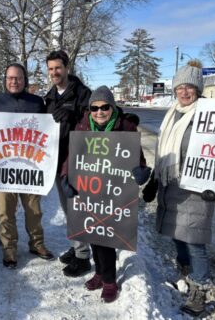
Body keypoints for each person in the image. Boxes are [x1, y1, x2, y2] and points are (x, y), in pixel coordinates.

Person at [142, 61, 215, 316]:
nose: (184, 92)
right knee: (177, 233)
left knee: (194, 239)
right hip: (172, 183)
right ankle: (185, 273)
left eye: (190, 87)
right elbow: (165, 151)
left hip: (197, 188)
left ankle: (199, 289)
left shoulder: (209, 115)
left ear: (198, 89)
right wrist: (154, 179)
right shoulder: (173, 113)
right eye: (180, 87)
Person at [60, 86, 150, 303]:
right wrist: (65, 177)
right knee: (92, 233)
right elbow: (71, 158)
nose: (99, 112)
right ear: (89, 109)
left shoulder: (126, 128)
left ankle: (109, 280)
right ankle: (100, 272)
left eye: (104, 107)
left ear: (112, 107)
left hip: (113, 193)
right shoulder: (82, 127)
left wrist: (141, 173)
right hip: (88, 190)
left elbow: (139, 161)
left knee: (106, 238)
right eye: (94, 107)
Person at [0, 63, 55, 269]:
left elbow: (48, 132)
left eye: (18, 78)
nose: (14, 81)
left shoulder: (36, 103)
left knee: (33, 211)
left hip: (30, 166)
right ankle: (9, 250)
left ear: (25, 80)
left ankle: (37, 244)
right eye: (10, 78)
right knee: (5, 212)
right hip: (4, 166)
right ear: (5, 80)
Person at [44, 50, 92, 277]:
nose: (54, 72)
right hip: (57, 159)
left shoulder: (82, 94)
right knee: (67, 208)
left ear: (67, 67)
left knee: (77, 209)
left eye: (58, 68)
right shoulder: (50, 97)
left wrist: (72, 114)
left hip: (77, 160)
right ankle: (77, 246)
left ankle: (83, 257)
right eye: (51, 69)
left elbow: (93, 122)